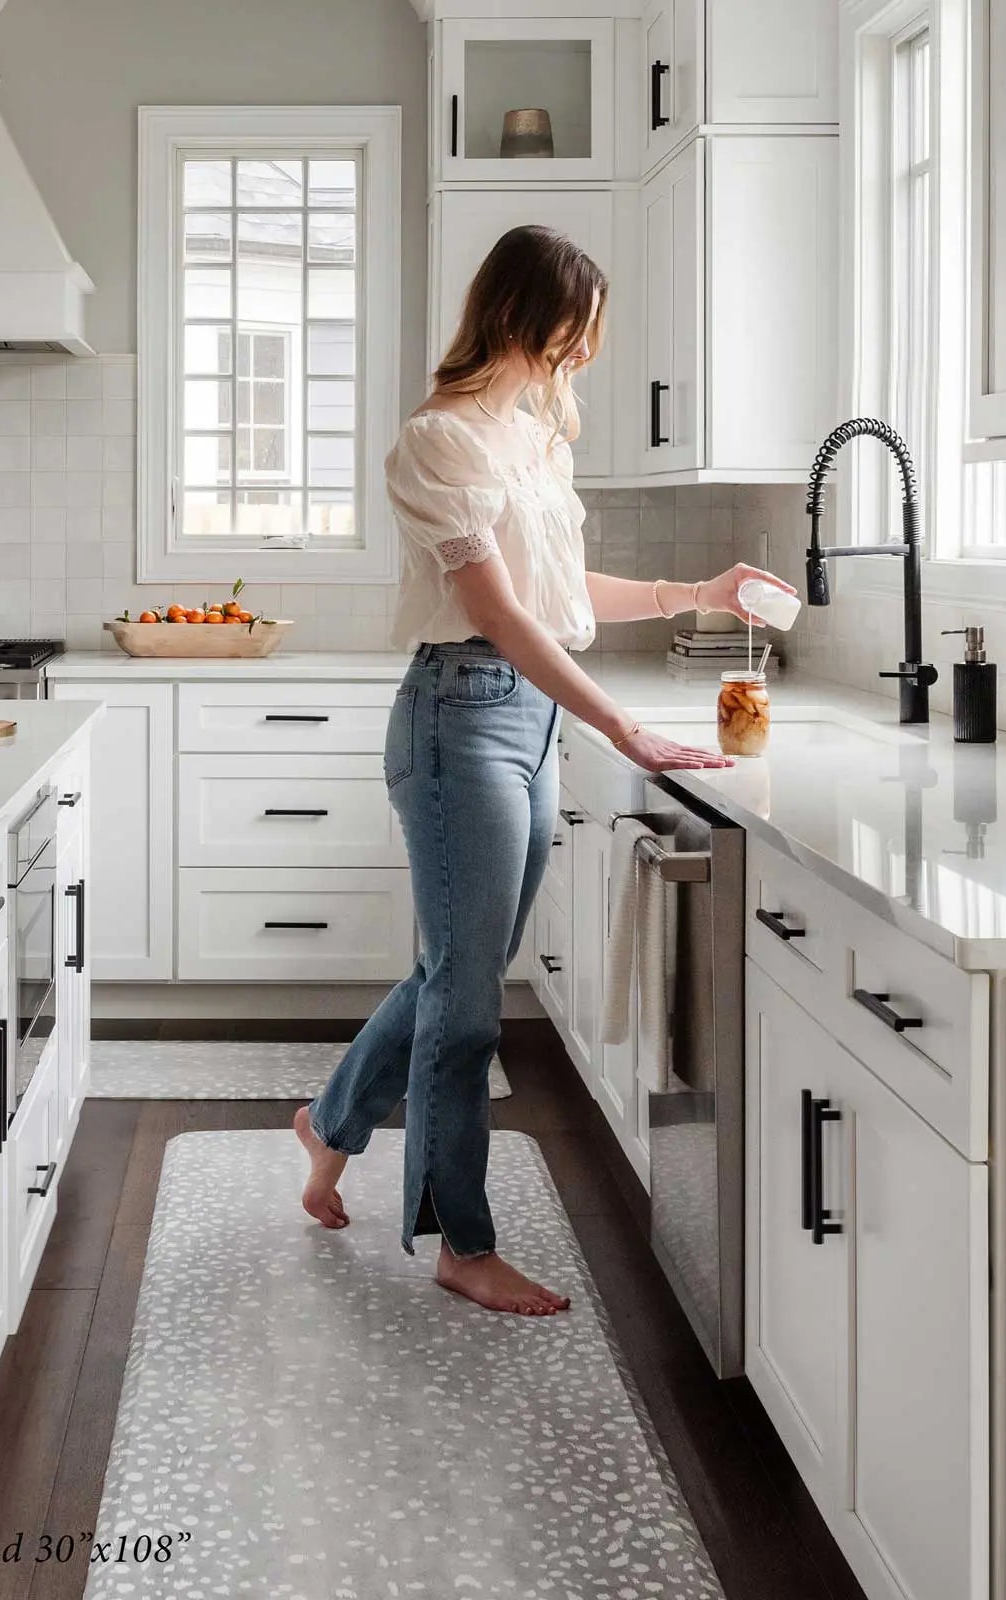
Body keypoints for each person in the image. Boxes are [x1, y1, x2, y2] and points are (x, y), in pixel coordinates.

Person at [294, 224, 795, 1316]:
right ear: (527, 317)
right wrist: (623, 726)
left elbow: (561, 593)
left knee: (453, 973)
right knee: (469, 1000)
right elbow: (496, 613)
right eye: (576, 330)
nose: (584, 353)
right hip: (458, 720)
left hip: (527, 716)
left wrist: (693, 590)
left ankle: (330, 1125)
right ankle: (460, 1243)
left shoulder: (533, 438)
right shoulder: (438, 441)